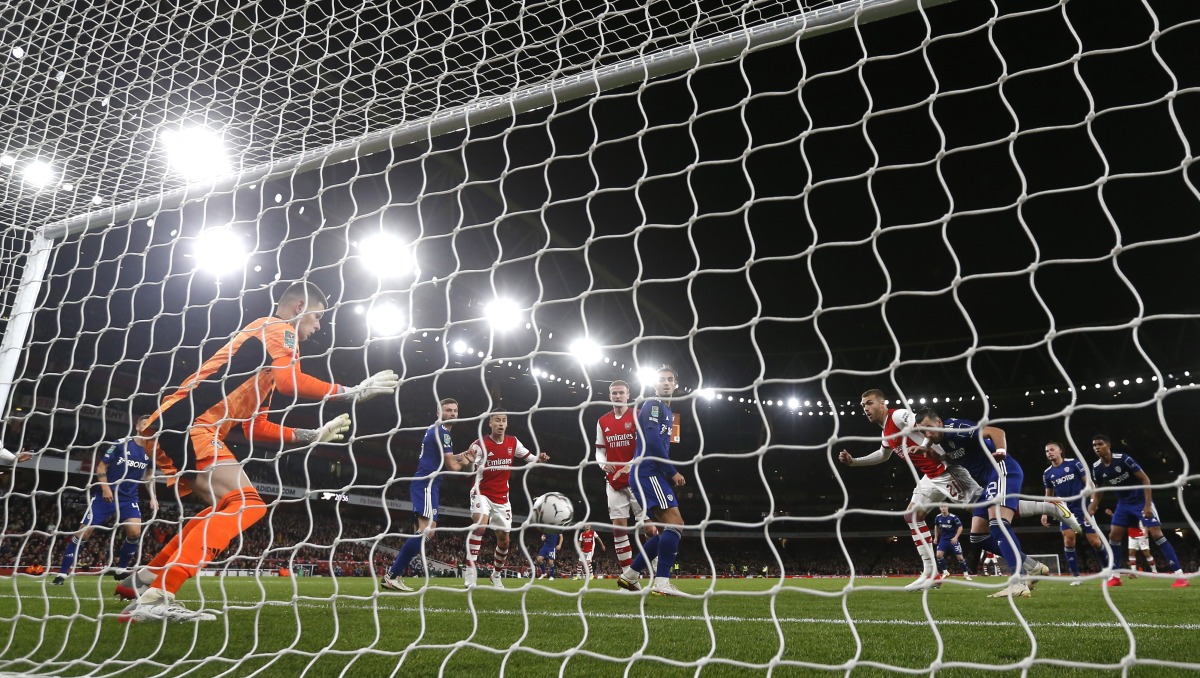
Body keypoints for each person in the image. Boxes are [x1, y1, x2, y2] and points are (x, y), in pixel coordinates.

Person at [118, 281, 396, 622]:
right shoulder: (279, 329)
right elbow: (292, 383)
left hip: (179, 425)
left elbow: (255, 427)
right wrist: (350, 391)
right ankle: (157, 596)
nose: (318, 326)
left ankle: (144, 579)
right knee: (248, 504)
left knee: (226, 505)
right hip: (190, 423)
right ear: (299, 308)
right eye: (317, 317)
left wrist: (311, 435)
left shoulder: (264, 368)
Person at [914, 407, 1081, 598]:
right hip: (989, 481)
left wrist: (1001, 450)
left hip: (1002, 470)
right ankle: (1034, 564)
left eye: (929, 428)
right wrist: (935, 455)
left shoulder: (956, 428)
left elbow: (996, 431)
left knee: (998, 524)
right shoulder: (944, 441)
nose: (927, 434)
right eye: (923, 432)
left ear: (939, 423)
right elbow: (961, 455)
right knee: (978, 536)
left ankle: (1017, 583)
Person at [837, 390, 981, 591]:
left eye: (869, 403)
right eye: (863, 405)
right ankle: (931, 573)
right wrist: (854, 462)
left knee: (985, 510)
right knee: (912, 515)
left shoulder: (897, 416)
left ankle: (1023, 544)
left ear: (882, 403)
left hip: (946, 471)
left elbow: (922, 424)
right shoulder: (886, 432)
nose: (866, 408)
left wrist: (925, 447)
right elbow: (883, 455)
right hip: (930, 477)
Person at [381, 398, 474, 592]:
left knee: (425, 531)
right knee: (427, 531)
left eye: (455, 411)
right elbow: (452, 467)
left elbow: (446, 458)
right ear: (439, 412)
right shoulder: (444, 433)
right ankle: (393, 575)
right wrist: (465, 462)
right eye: (448, 410)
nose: (453, 414)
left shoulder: (436, 430)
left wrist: (462, 455)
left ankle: (394, 574)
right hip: (427, 483)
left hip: (428, 483)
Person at [54, 416, 157, 585]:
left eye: (150, 425)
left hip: (128, 498)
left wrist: (153, 497)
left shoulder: (151, 451)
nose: (147, 428)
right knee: (84, 533)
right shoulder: (121, 444)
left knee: (135, 533)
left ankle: (121, 569)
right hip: (105, 496)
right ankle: (62, 573)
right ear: (137, 427)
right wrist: (105, 487)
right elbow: (101, 466)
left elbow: (149, 476)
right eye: (144, 424)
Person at [618, 366, 687, 596]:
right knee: (676, 524)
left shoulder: (667, 410)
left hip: (650, 473)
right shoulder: (654, 405)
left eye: (670, 379)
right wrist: (672, 471)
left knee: (669, 527)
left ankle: (630, 575)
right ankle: (662, 581)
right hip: (648, 472)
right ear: (654, 385)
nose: (666, 383)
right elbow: (652, 440)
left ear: (675, 384)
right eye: (661, 380)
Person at [1087, 434, 1188, 588]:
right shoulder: (1096, 467)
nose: (1097, 447)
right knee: (1114, 536)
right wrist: (1093, 506)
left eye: (1100, 444)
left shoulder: (1123, 459)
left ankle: (1180, 576)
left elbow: (1145, 479)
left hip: (1140, 501)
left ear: (1108, 445)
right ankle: (1115, 577)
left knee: (1156, 534)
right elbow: (1099, 489)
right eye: (1094, 445)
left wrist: (1147, 505)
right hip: (1123, 504)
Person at [461, 410, 548, 589]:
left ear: (507, 424)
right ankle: (469, 574)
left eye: (504, 420)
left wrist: (540, 459)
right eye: (497, 420)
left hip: (502, 497)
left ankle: (496, 575)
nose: (501, 423)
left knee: (504, 541)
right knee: (480, 526)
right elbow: (467, 473)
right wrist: (469, 462)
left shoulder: (513, 442)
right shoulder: (479, 445)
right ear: (490, 423)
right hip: (481, 492)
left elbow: (531, 460)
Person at [594, 380, 658, 572]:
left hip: (638, 480)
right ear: (610, 396)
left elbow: (644, 448)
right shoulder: (602, 421)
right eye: (614, 393)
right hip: (614, 482)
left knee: (650, 529)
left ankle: (656, 570)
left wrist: (628, 466)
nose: (618, 396)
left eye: (621, 393)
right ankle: (628, 576)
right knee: (619, 528)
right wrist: (602, 464)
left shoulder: (638, 416)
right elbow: (599, 449)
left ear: (628, 395)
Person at [1042, 441, 1108, 585]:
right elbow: (1049, 495)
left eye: (1052, 450)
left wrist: (1092, 502)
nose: (1049, 453)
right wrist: (1044, 512)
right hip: (1065, 511)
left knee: (1095, 542)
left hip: (1083, 508)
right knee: (1068, 540)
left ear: (1060, 451)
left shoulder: (1074, 464)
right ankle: (1076, 577)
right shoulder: (1047, 473)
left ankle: (1108, 571)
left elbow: (1089, 483)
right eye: (1047, 451)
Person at [932, 505, 972, 581]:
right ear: (939, 508)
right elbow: (936, 526)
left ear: (948, 507)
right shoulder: (938, 517)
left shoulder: (953, 517)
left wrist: (956, 537)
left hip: (953, 540)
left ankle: (966, 574)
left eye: (944, 507)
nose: (943, 508)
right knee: (938, 555)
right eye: (941, 507)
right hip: (943, 540)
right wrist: (936, 537)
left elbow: (960, 527)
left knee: (960, 557)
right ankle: (945, 572)